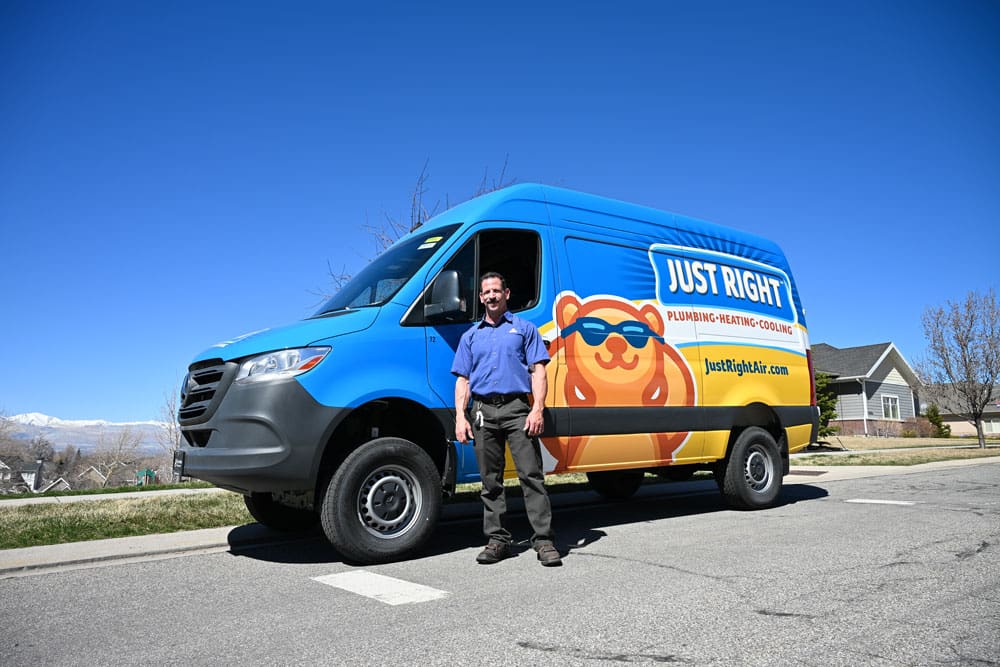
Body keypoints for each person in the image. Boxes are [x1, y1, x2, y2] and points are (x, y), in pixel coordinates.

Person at [451, 271, 561, 566]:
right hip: (483, 412)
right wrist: (461, 417)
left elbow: (539, 370)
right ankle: (497, 540)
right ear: (480, 297)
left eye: (496, 290)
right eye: (486, 292)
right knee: (490, 482)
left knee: (531, 476)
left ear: (506, 293)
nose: (491, 296)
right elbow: (462, 380)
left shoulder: (525, 329)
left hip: (516, 410)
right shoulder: (470, 336)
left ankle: (544, 540)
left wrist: (537, 408)